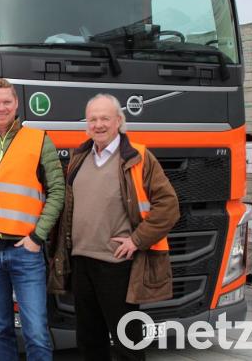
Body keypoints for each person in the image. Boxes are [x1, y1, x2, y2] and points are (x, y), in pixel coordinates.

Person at [48, 93, 180, 361]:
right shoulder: (79, 157)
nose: (98, 124)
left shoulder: (138, 157)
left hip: (117, 264)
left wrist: (137, 240)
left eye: (105, 118)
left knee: (127, 341)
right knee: (88, 339)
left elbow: (169, 206)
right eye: (93, 119)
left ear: (119, 121)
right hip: (81, 262)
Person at [0, 78, 65, 361]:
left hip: (25, 252)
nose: (1, 107)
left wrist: (37, 237)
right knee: (1, 329)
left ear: (17, 104)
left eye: (7, 101)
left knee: (36, 332)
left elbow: (57, 192)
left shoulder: (39, 140)